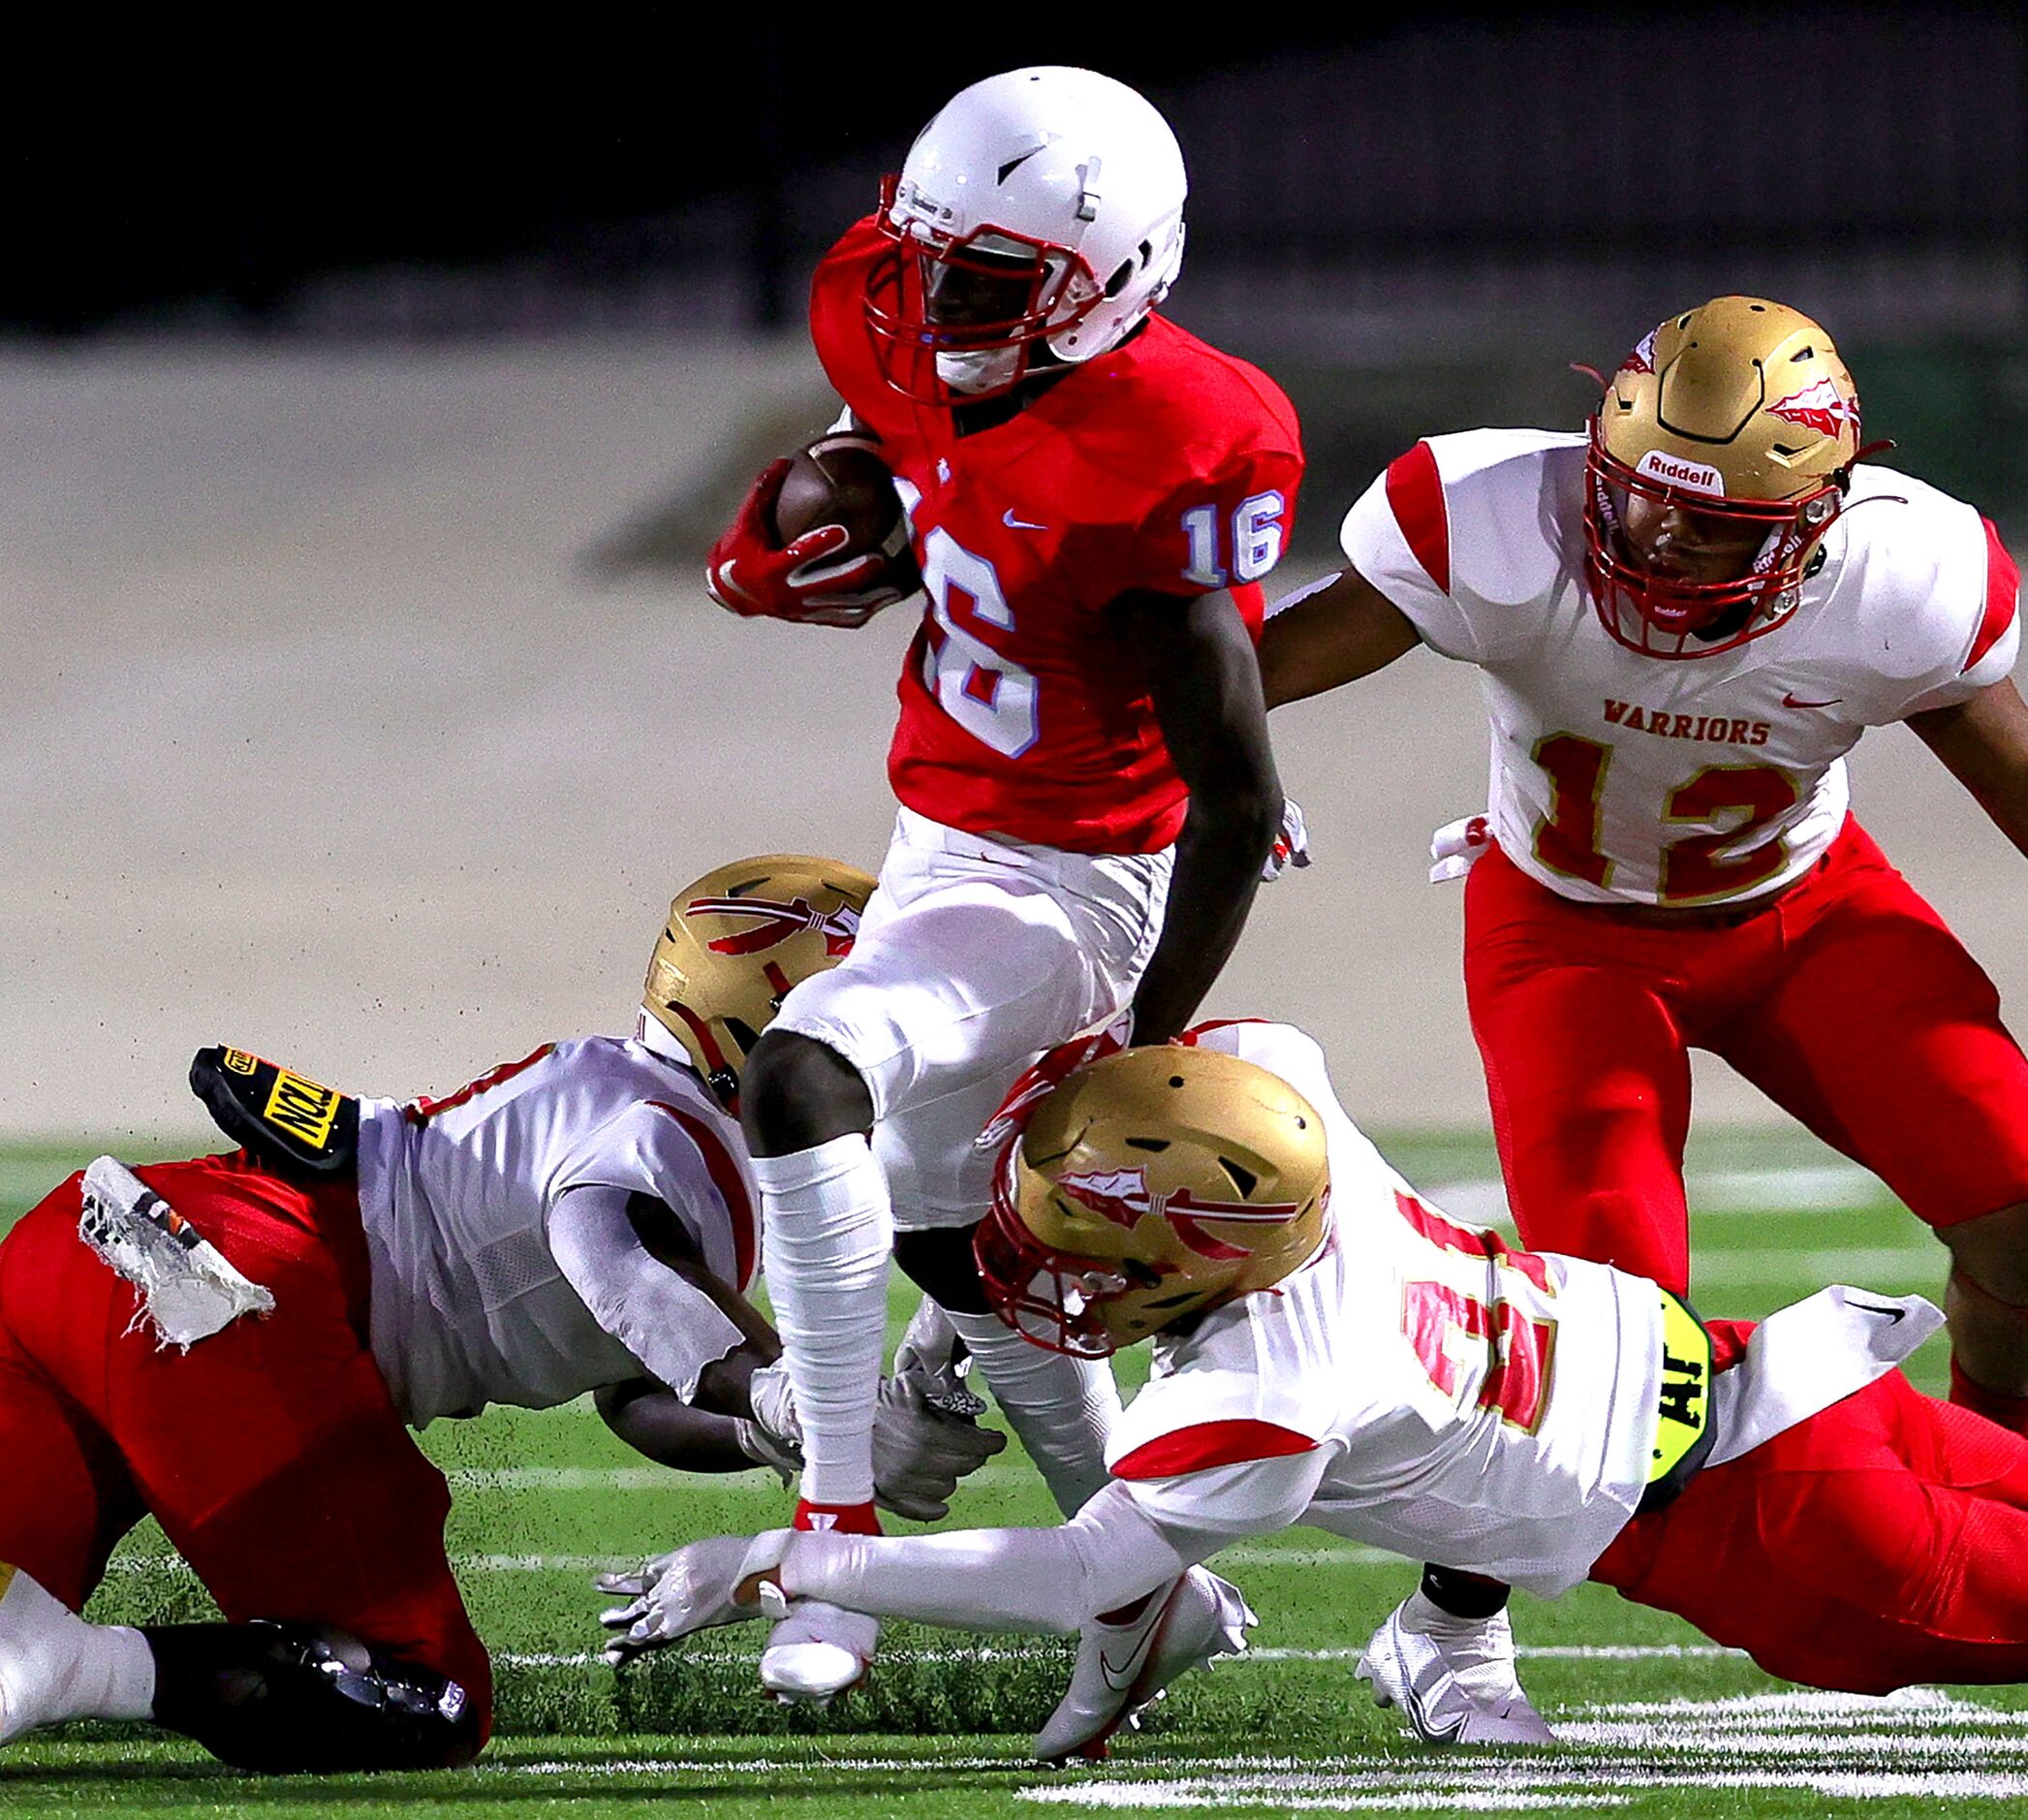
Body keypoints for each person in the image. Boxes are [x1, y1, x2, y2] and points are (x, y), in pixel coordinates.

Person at [599, 1019, 2028, 1758]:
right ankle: (1441, 1648)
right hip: (1788, 1379)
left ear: (1198, 1255)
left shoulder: (1269, 1380)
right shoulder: (1270, 1097)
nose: (1042, 1268)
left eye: (1087, 1246)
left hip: (1780, 1530)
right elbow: (1200, 1044)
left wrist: (787, 1560)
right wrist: (948, 1327)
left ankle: (1442, 1648)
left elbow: (1075, 1573)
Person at [699, 64, 1303, 1732]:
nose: (937, 303)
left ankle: (832, 1532)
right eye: (931, 262)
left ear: (1114, 278)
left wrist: (1145, 1031)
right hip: (936, 829)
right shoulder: (883, 300)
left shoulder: (1182, 435)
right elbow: (898, 446)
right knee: (955, 1253)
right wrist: (827, 503)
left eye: (987, 283)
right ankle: (1148, 1587)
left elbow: (1234, 783)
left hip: (1074, 876)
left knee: (806, 1067)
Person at [0, 854, 999, 1770]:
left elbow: (638, 1383)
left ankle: (34, 1659)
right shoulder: (667, 1134)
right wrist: (812, 1406)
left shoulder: (622, 1095)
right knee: (426, 1697)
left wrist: (769, 1428)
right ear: (767, 1020)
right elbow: (610, 1254)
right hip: (224, 1304)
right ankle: (74, 1672)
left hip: (86, 1252)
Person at [1256, 295, 2028, 1431]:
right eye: (1641, 497)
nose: (1663, 538)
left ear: (1817, 517)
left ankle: (2002, 1496)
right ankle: (1461, 1606)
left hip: (1805, 914)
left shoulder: (1905, 580)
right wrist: (1216, 771)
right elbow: (1234, 675)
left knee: (2017, 1219)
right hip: (1563, 936)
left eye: (1715, 525)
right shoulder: (1492, 521)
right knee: (1616, 1332)